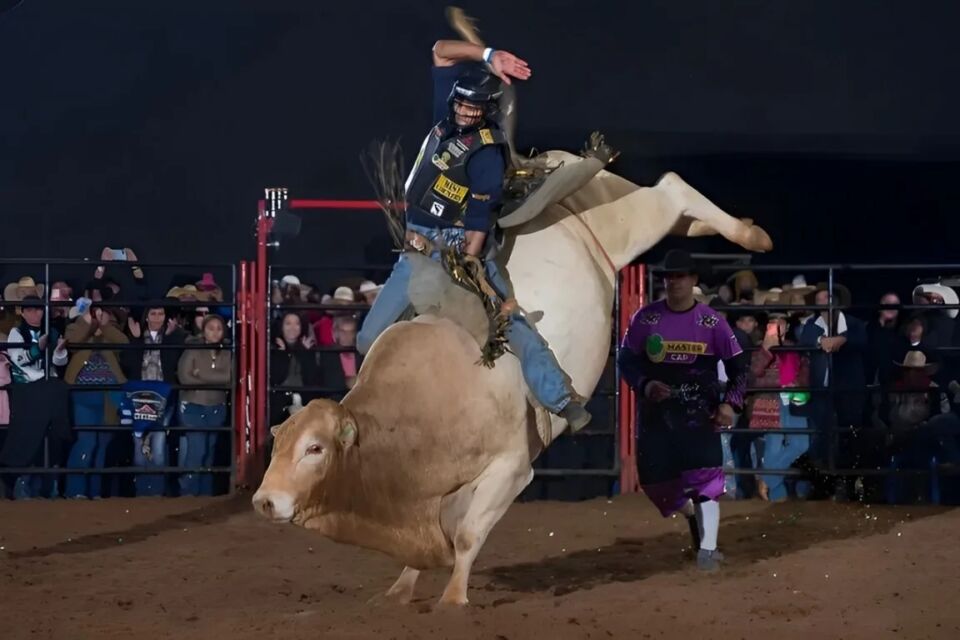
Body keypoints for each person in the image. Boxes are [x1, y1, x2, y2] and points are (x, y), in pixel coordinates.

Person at [356, 37, 590, 430]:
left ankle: (560, 397)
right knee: (368, 340)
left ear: (486, 111)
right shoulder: (442, 120)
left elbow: (480, 216)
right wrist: (487, 55)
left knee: (507, 318)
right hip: (416, 250)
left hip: (457, 248)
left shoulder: (485, 152)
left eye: (473, 107)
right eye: (461, 103)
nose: (465, 111)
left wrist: (470, 262)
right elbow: (440, 50)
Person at [618, 250, 747, 571]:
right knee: (654, 483)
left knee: (707, 479)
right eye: (670, 276)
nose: (674, 282)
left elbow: (739, 368)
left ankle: (708, 549)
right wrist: (646, 384)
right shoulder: (645, 319)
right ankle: (691, 517)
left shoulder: (712, 323)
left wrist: (730, 404)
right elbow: (626, 360)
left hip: (699, 414)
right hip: (656, 419)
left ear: (693, 280)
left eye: (681, 276)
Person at [176, 314, 231, 496]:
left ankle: (205, 496)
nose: (215, 332)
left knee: (209, 453)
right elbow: (184, 377)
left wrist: (201, 375)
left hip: (216, 407)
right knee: (197, 451)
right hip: (194, 406)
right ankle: (189, 494)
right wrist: (216, 379)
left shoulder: (229, 351)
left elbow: (230, 378)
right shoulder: (193, 348)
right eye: (211, 328)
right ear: (203, 330)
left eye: (218, 328)